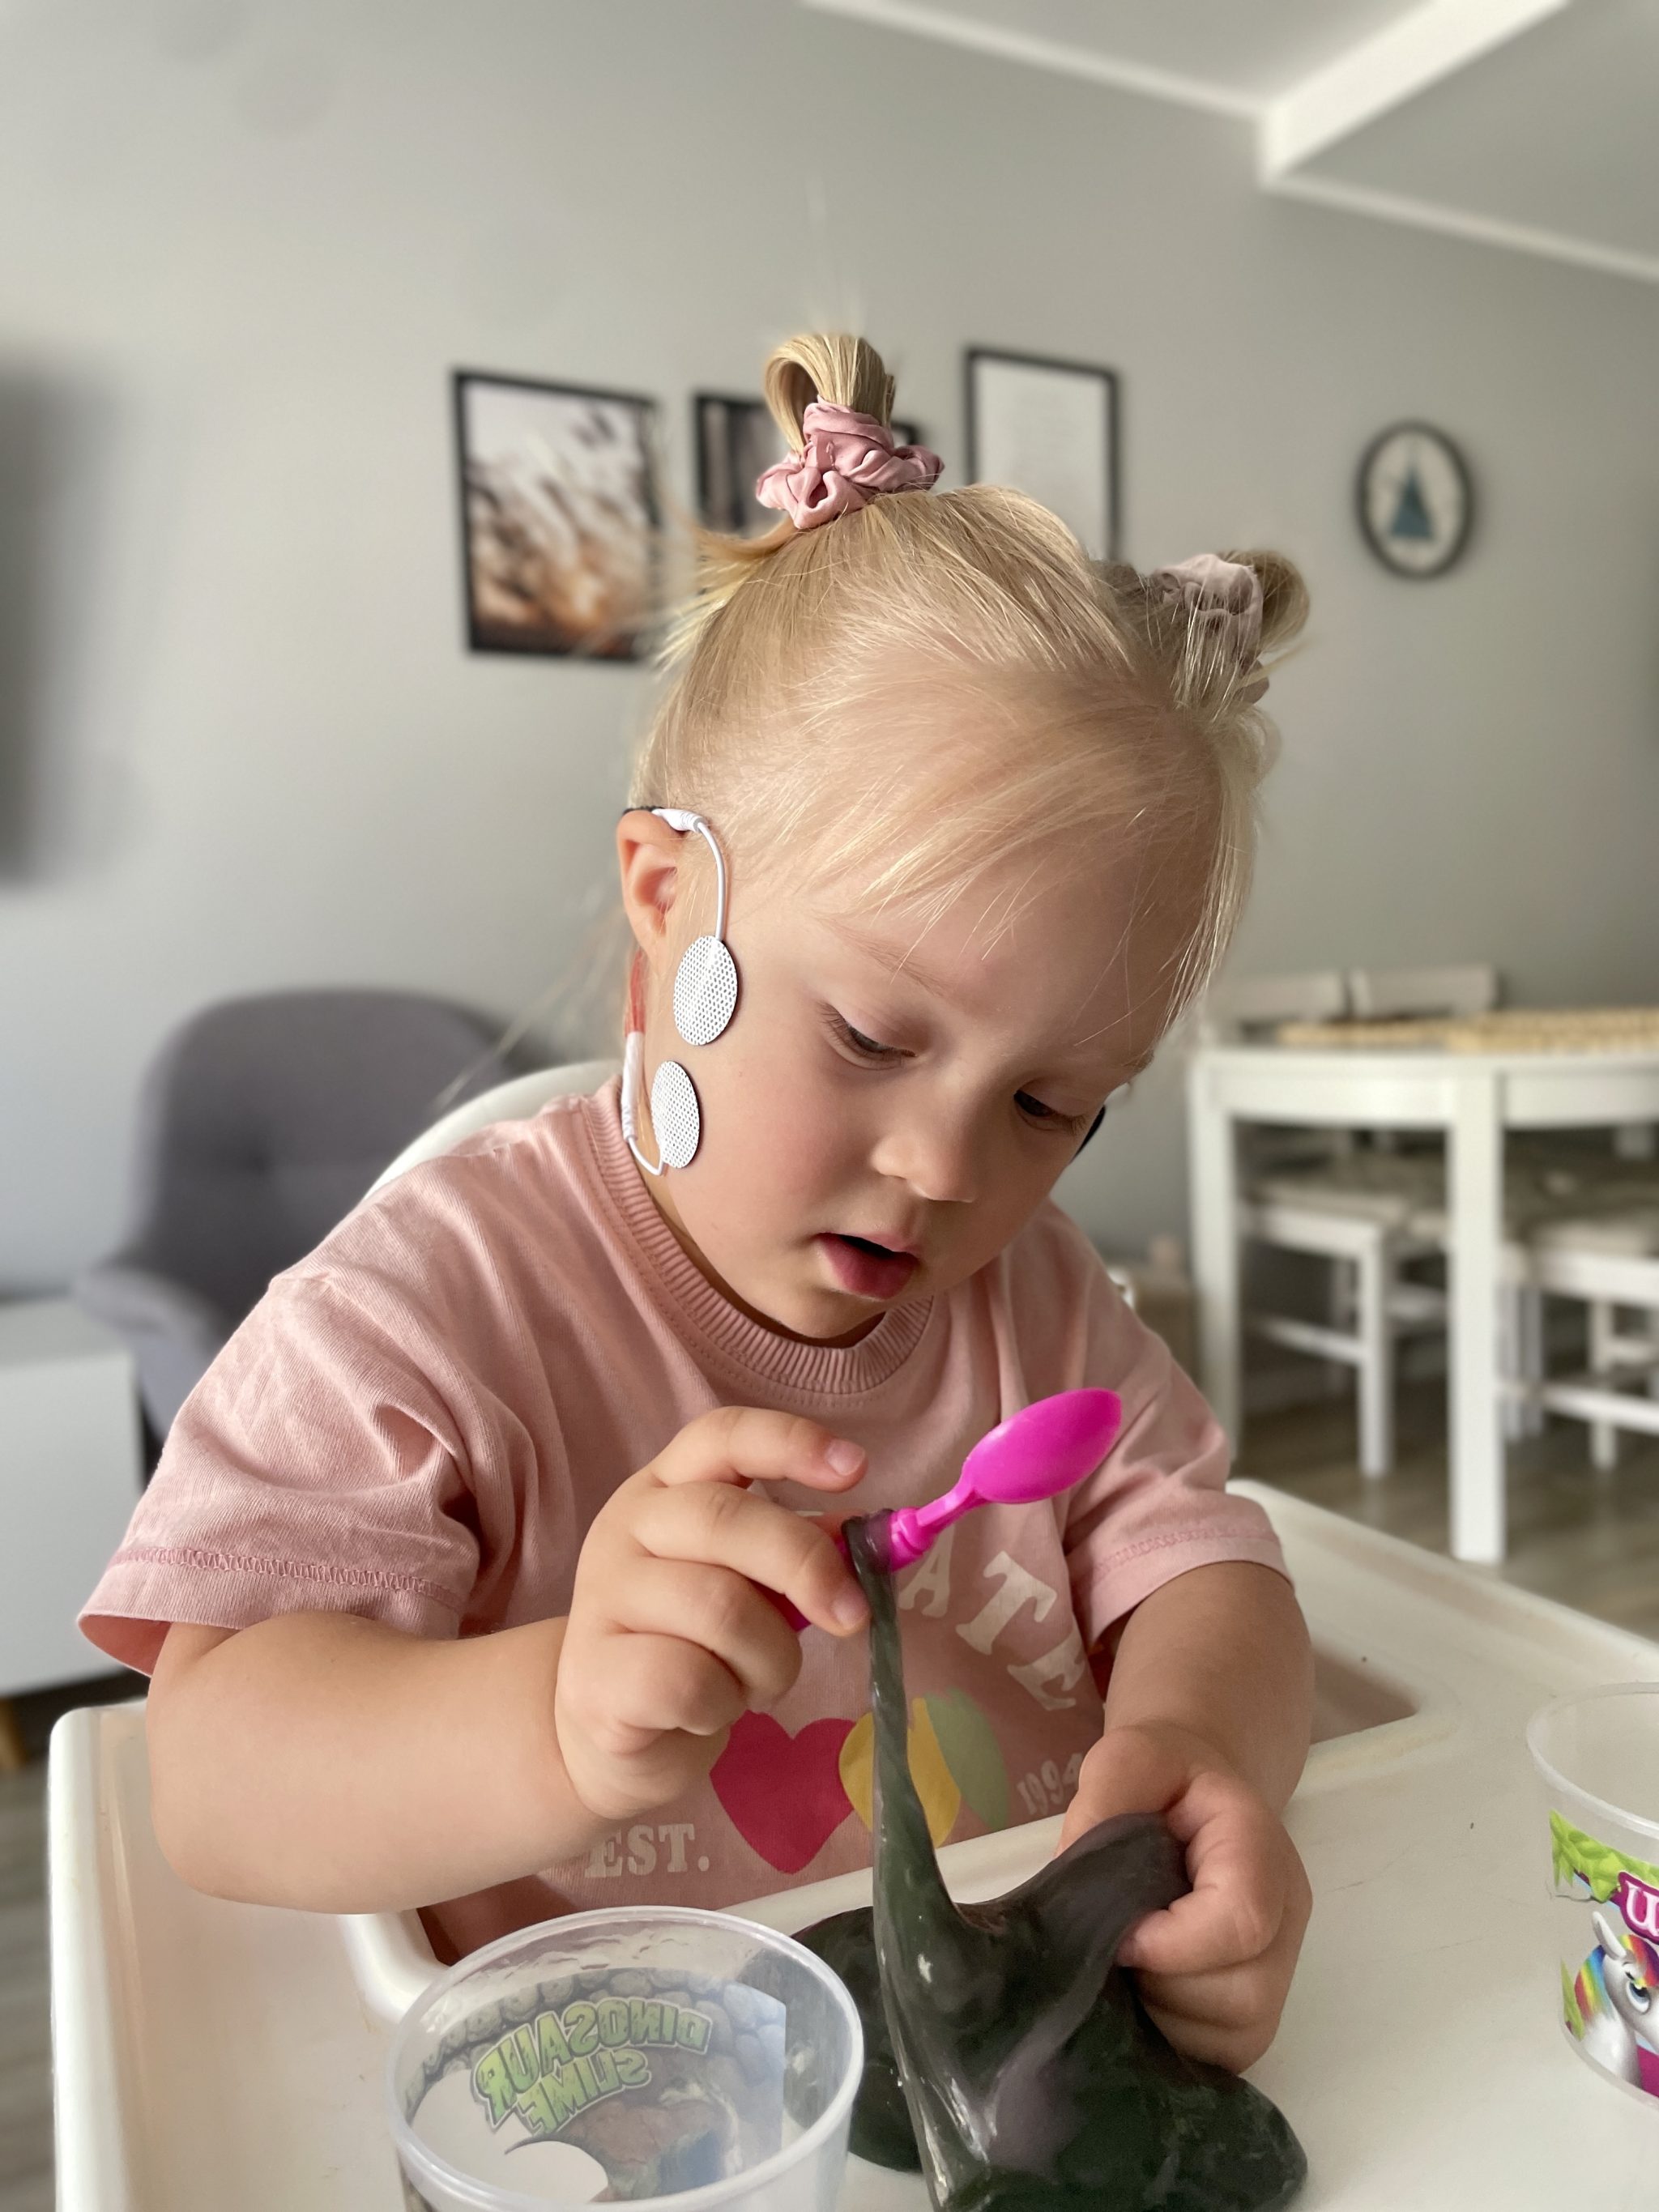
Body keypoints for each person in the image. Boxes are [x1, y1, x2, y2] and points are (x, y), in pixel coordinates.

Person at [82, 331, 1313, 2074]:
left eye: (1050, 1105)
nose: (947, 1169)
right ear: (668, 898)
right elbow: (209, 1776)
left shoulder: (1037, 1304)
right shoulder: (422, 1310)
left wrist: (1202, 1749)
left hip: (996, 2063)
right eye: (871, 1036)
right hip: (612, 2104)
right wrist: (553, 1717)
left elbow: (1208, 1564)